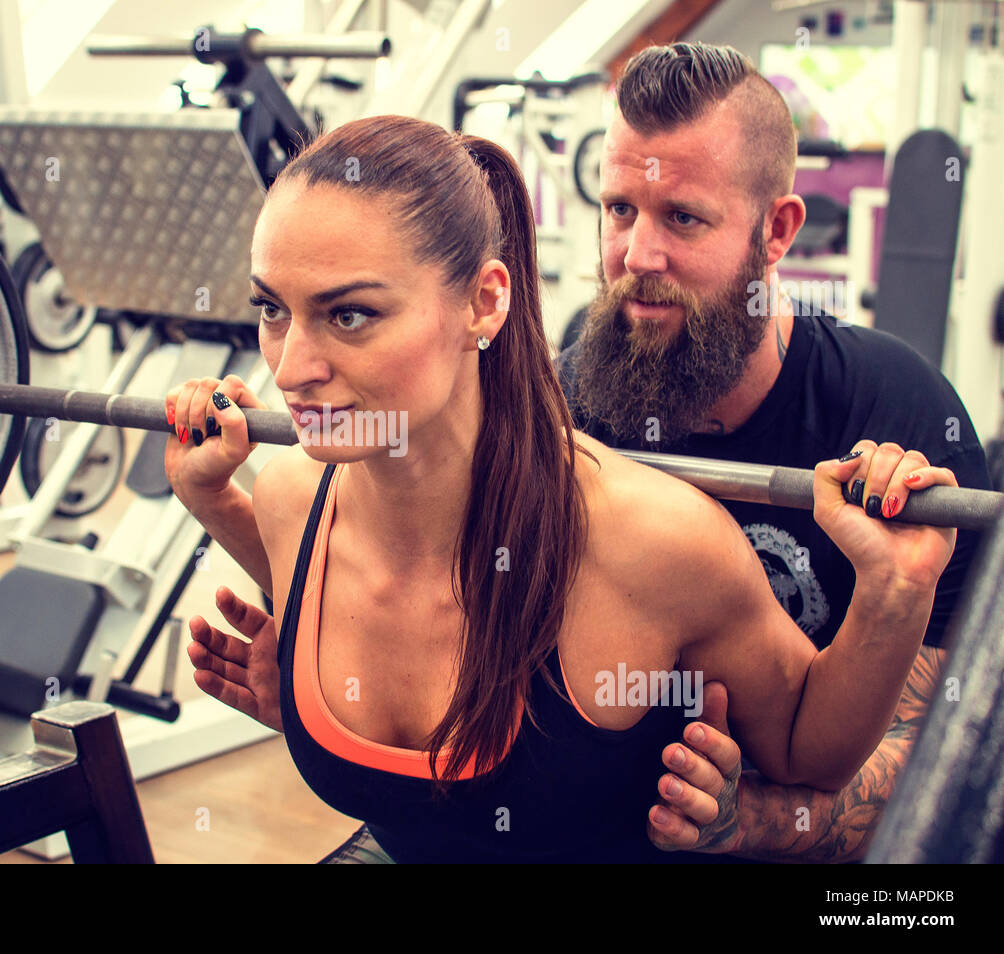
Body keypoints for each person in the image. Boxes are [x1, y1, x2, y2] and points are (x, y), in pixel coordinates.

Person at [163, 111, 958, 863]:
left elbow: (806, 750)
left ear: (484, 302)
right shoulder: (287, 499)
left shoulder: (653, 539)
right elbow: (340, 596)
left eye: (351, 316)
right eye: (273, 309)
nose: (291, 368)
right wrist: (216, 509)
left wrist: (895, 588)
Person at [554, 42, 993, 861]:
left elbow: (940, 751)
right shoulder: (564, 405)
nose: (638, 258)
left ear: (778, 230)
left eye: (683, 217)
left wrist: (749, 820)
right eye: (620, 210)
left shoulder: (900, 411)